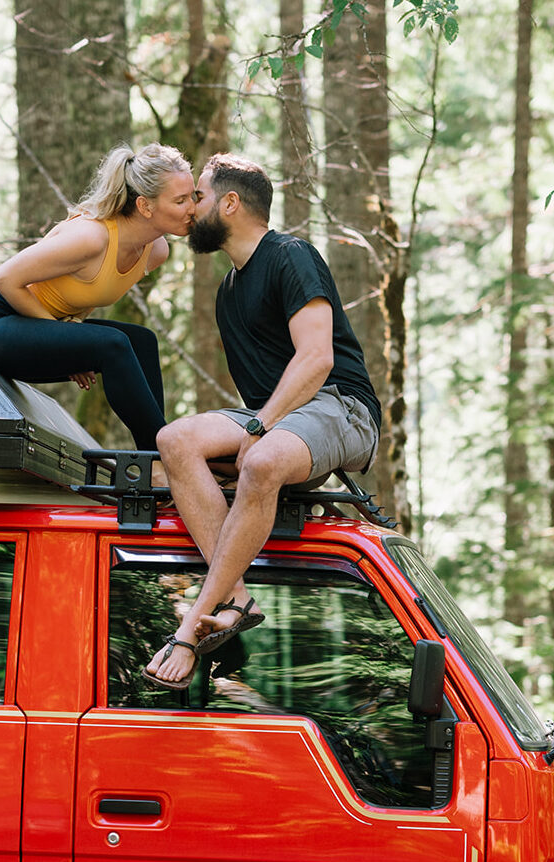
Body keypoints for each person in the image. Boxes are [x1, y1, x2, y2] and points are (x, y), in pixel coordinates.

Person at [144, 153, 381, 690]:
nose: (189, 209)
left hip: (339, 406)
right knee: (174, 441)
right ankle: (237, 599)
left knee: (265, 457)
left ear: (230, 203)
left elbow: (317, 359)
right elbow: (149, 241)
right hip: (277, 418)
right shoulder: (228, 289)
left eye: (197, 197)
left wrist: (259, 429)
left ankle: (190, 627)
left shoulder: (291, 256)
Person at [0, 143, 195, 454]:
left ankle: (153, 453)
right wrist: (66, 337)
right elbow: (4, 280)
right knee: (113, 344)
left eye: (193, 197)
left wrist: (72, 337)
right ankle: (164, 458)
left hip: (35, 325)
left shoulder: (155, 250)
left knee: (142, 341)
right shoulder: (91, 238)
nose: (192, 208)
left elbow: (89, 290)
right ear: (145, 206)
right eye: (180, 200)